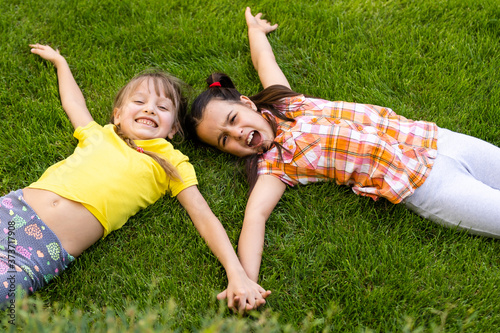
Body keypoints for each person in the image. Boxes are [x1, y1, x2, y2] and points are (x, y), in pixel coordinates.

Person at [186, 7, 500, 303]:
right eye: (225, 140)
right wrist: (245, 280)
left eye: (233, 119)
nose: (237, 133)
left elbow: (263, 61)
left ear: (247, 104)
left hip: (438, 140)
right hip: (424, 182)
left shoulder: (287, 101)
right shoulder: (275, 165)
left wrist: (255, 31)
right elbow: (255, 218)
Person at [0, 43, 269, 313]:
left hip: (45, 249)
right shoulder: (100, 133)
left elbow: (203, 215)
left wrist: (236, 273)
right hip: (13, 207)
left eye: (163, 108)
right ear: (117, 115)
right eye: (139, 102)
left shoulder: (171, 163)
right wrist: (61, 63)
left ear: (173, 129)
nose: (150, 109)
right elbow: (73, 102)